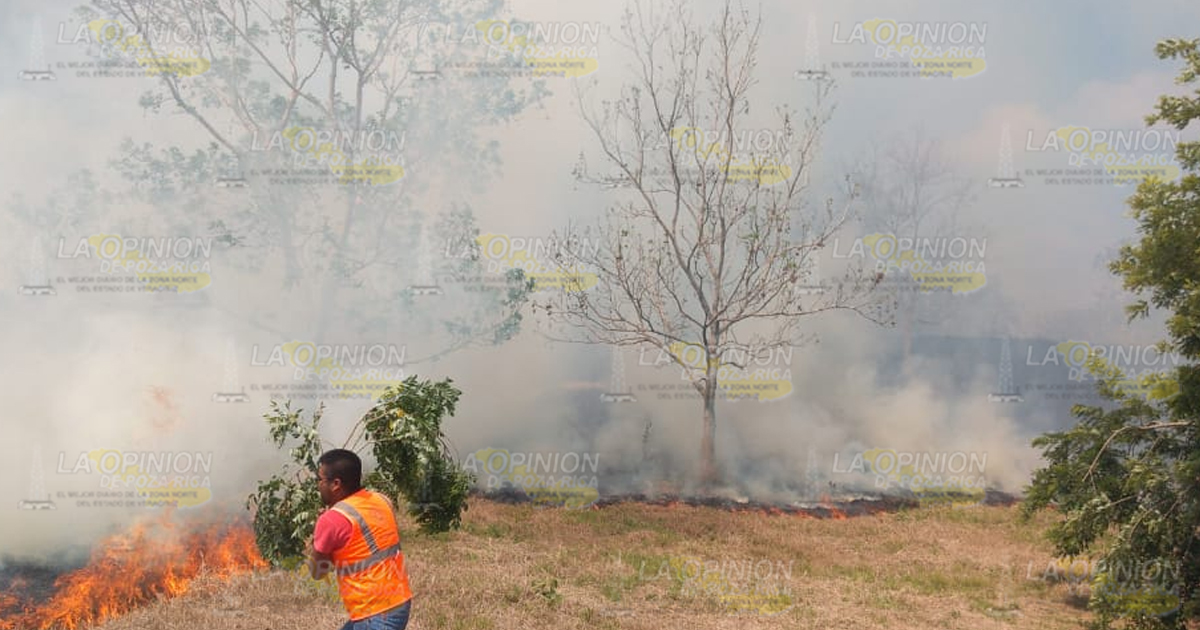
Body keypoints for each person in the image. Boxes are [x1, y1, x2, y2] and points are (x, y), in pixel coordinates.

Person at [307, 449, 413, 630]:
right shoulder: (382, 500)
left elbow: (317, 573)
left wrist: (318, 538)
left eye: (320, 479)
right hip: (399, 602)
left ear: (336, 484)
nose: (318, 485)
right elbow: (364, 548)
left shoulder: (331, 520)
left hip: (376, 614)